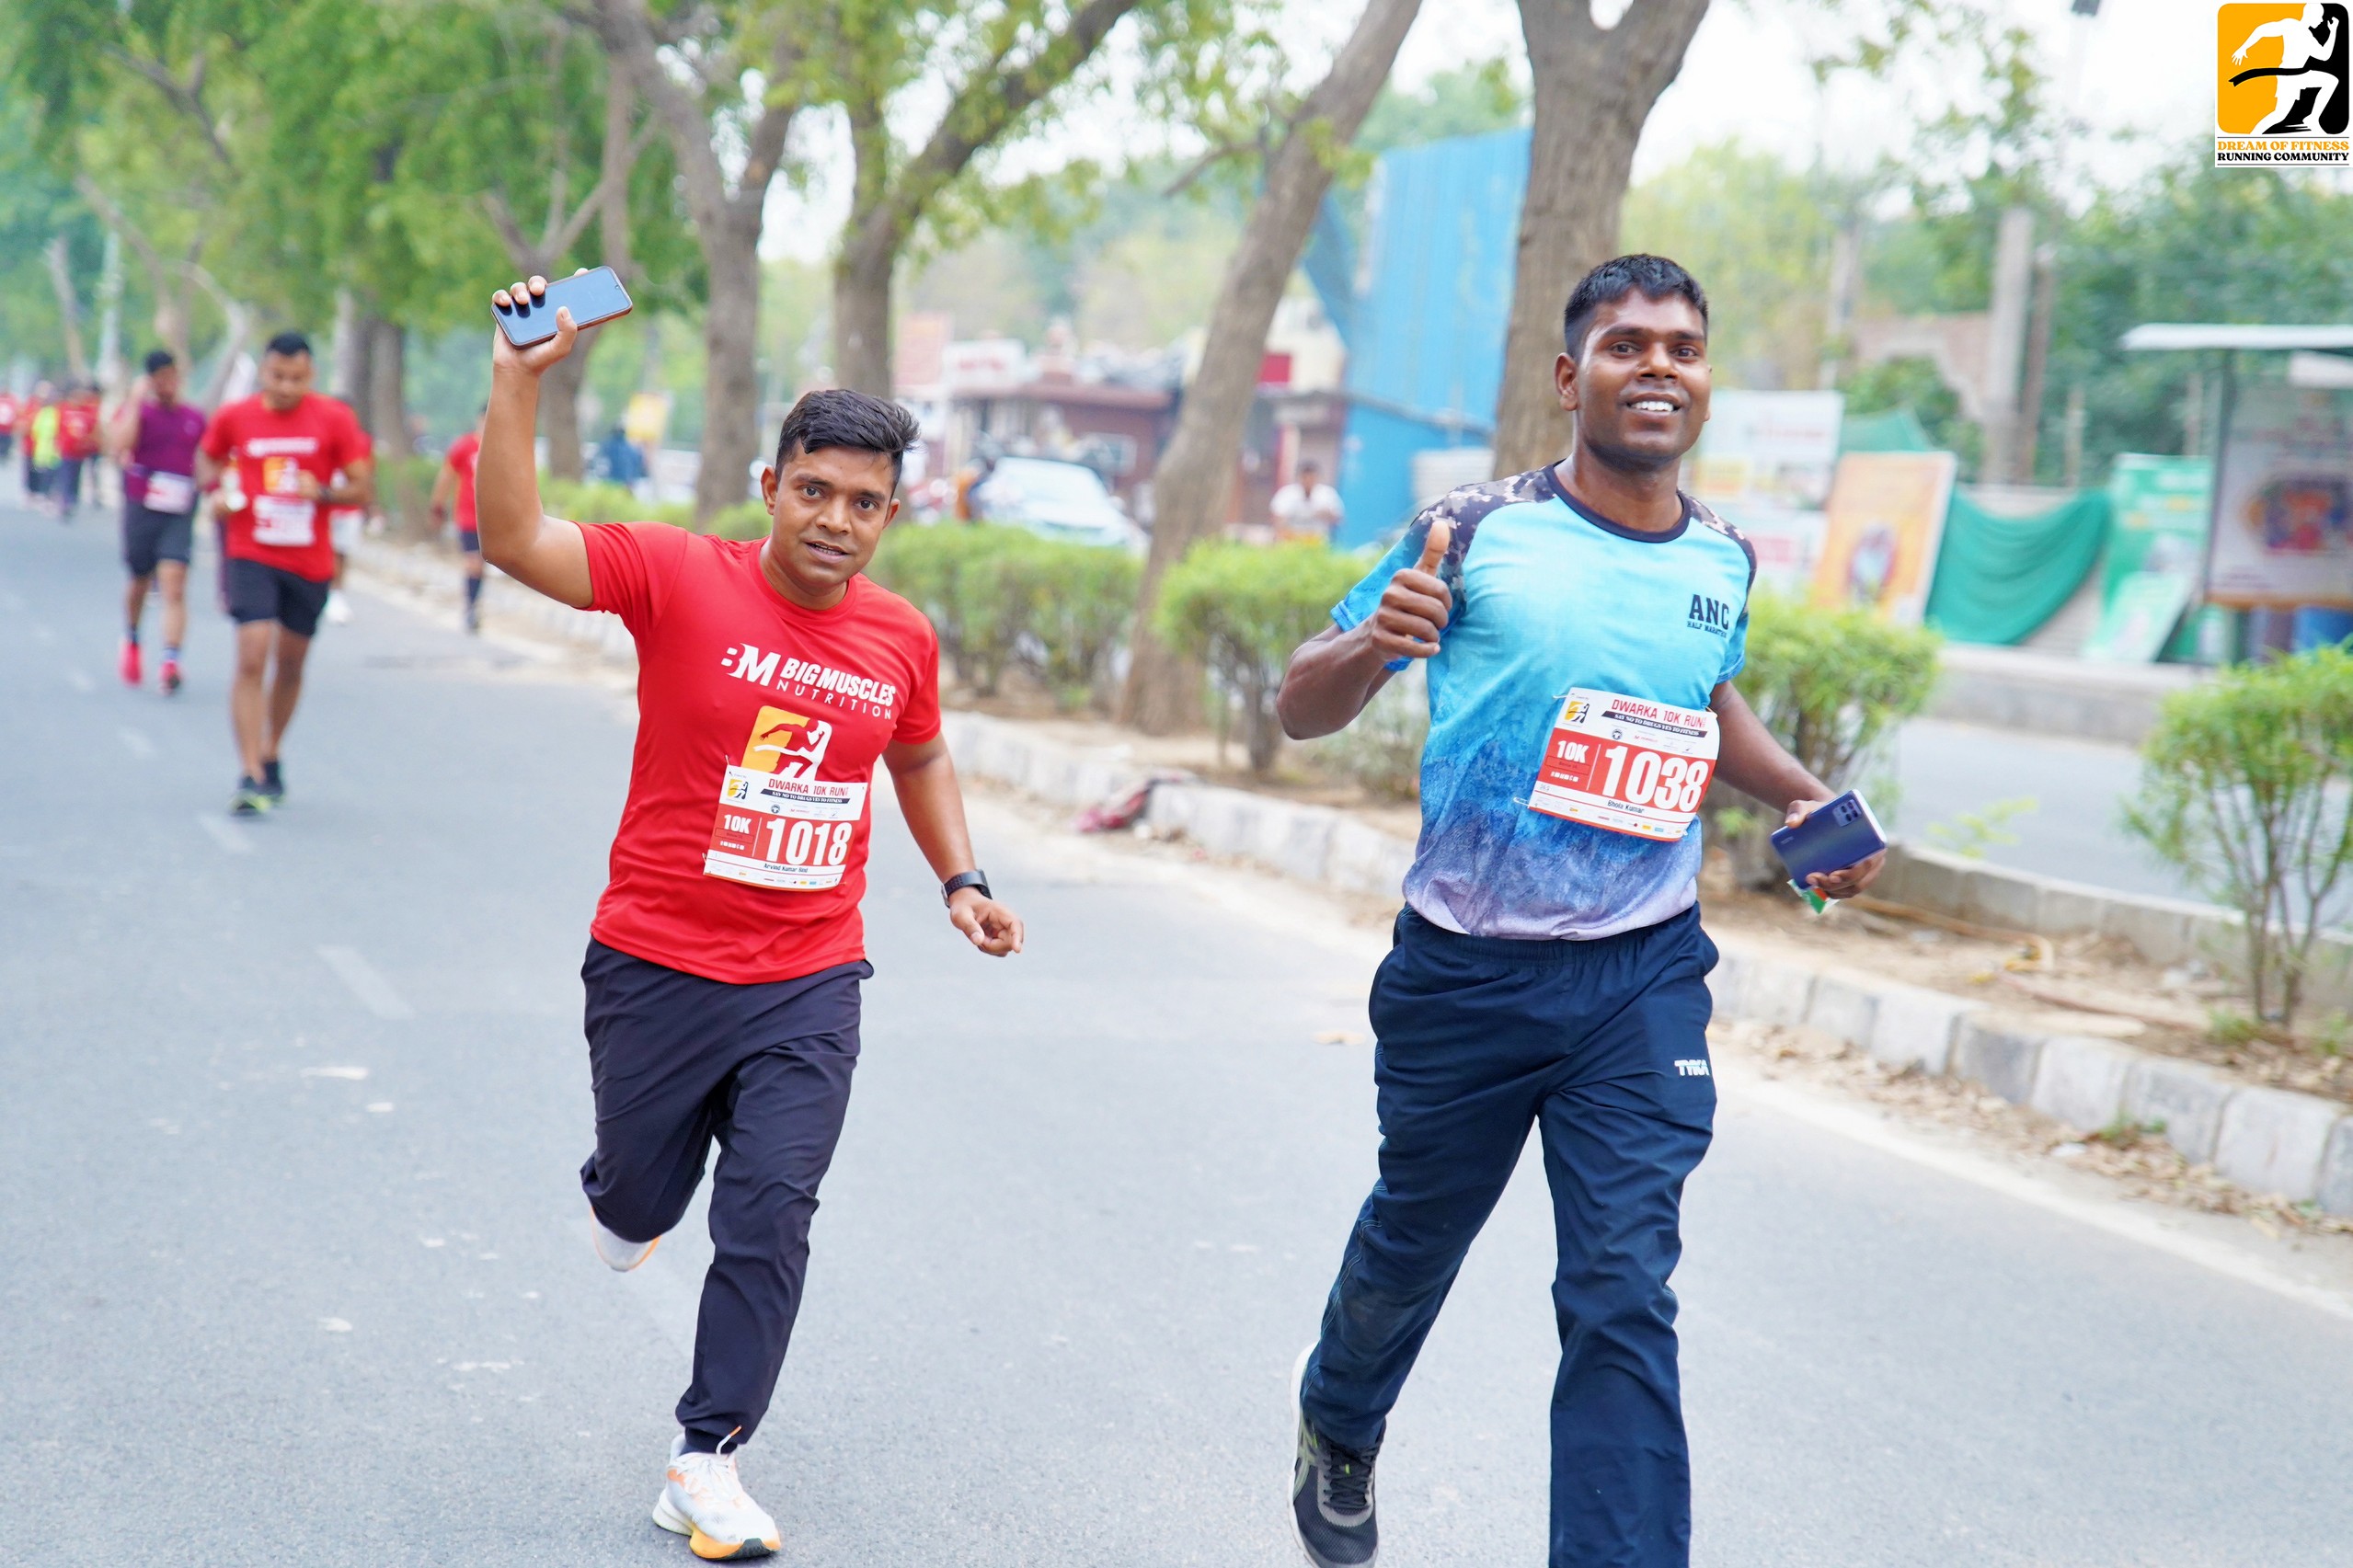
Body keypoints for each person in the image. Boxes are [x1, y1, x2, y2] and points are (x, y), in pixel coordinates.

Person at [1273, 255, 1886, 1568]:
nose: (1656, 366)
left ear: (1703, 382)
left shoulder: (1721, 554)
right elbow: (1299, 704)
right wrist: (1377, 638)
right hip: (1465, 972)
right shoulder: (1469, 529)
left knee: (1620, 1290)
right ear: (1571, 377)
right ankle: (1340, 1416)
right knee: (1413, 1238)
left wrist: (1800, 798)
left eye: (1681, 348)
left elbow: (1700, 702)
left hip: (1639, 977)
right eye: (1624, 345)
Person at [476, 273, 1026, 1562]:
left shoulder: (898, 636)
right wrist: (517, 381)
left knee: (772, 1209)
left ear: (891, 515)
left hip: (807, 976)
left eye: (864, 503)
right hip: (654, 962)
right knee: (636, 1196)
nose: (836, 521)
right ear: (771, 485)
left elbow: (918, 753)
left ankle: (707, 1456)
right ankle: (625, 1195)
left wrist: (962, 880)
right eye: (815, 491)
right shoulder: (676, 575)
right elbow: (514, 539)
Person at [196, 330, 373, 816]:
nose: (287, 387)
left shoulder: (334, 418)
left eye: (297, 378)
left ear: (311, 374)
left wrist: (324, 493)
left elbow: (361, 488)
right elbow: (207, 460)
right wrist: (217, 491)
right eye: (278, 376)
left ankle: (271, 749)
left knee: (290, 663)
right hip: (250, 549)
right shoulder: (235, 417)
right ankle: (250, 771)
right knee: (252, 655)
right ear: (263, 371)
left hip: (308, 560)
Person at [105, 349, 209, 692]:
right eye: (160, 379)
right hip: (143, 505)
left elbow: (207, 458)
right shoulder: (141, 413)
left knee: (174, 583)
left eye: (172, 377)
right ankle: (132, 637)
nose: (168, 384)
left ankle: (171, 660)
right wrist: (136, 401)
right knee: (140, 579)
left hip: (179, 509)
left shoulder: (194, 417)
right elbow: (119, 446)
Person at [430, 414, 486, 632]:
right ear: (480, 419)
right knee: (473, 562)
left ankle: (474, 604)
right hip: (468, 516)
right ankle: (471, 608)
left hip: (492, 519)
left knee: (481, 566)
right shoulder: (465, 446)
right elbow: (447, 475)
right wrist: (437, 505)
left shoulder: (501, 446)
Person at [53, 383, 101, 521]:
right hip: (67, 451)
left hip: (80, 452)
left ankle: (73, 499)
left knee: (76, 476)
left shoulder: (87, 411)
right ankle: (65, 501)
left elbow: (93, 429)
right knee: (66, 476)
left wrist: (90, 443)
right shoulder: (63, 409)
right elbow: (58, 428)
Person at [1270, 459, 1344, 543]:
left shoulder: (1327, 494)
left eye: (1311, 478)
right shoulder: (1287, 493)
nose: (1308, 481)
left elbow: (1339, 519)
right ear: (1300, 477)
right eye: (1305, 478)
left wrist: (1326, 514)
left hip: (1317, 539)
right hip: (1292, 538)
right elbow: (1277, 517)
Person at [25, 383, 61, 514]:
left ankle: (48, 497)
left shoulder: (57, 412)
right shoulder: (37, 410)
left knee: (51, 476)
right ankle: (37, 495)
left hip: (54, 452)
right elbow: (34, 430)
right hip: (40, 450)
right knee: (39, 474)